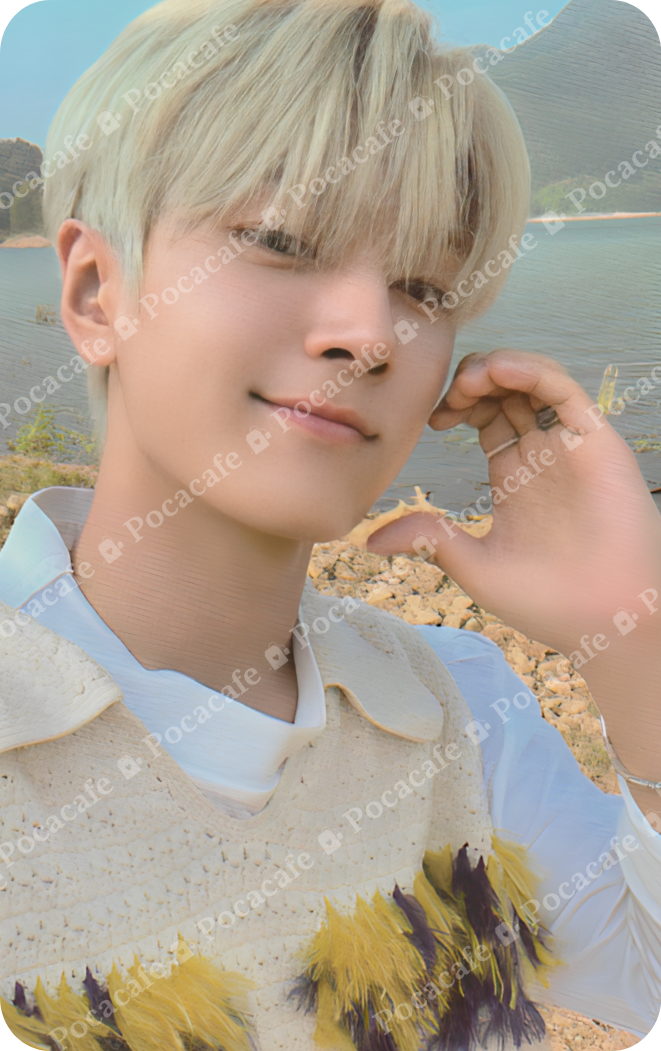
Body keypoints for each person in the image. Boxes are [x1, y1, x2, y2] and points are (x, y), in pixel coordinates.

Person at [0, 0, 660, 1048]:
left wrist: (632, 637)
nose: (369, 333)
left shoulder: (457, 708)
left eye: (423, 286)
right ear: (92, 293)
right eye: (278, 241)